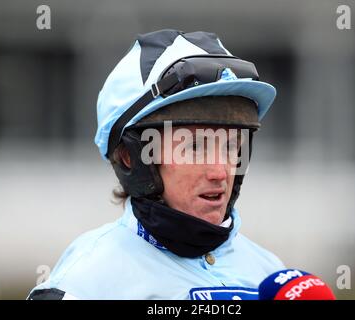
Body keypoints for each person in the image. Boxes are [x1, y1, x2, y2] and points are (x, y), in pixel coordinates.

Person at [27, 29, 285, 300]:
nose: (220, 172)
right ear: (131, 156)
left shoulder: (271, 275)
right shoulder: (85, 284)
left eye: (231, 146)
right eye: (194, 147)